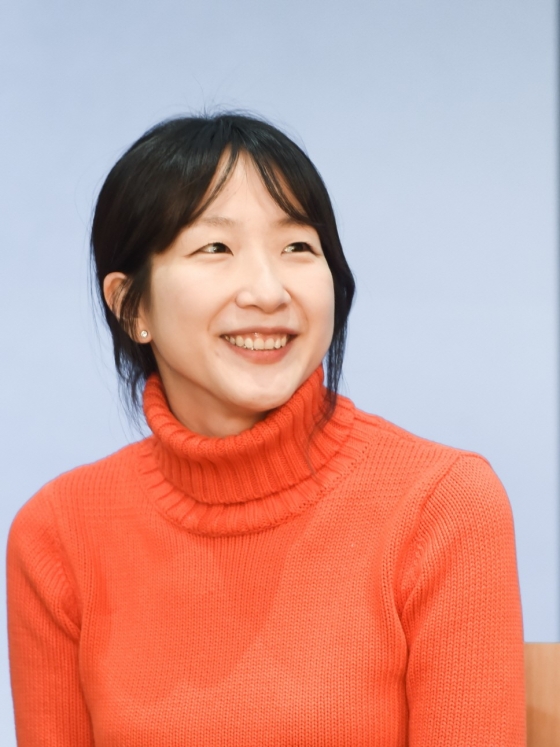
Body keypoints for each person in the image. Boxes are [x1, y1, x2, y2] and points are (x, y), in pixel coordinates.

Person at [6, 113, 526, 745]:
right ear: (131, 305)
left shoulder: (442, 506)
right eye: (215, 249)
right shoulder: (58, 535)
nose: (268, 291)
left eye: (298, 247)